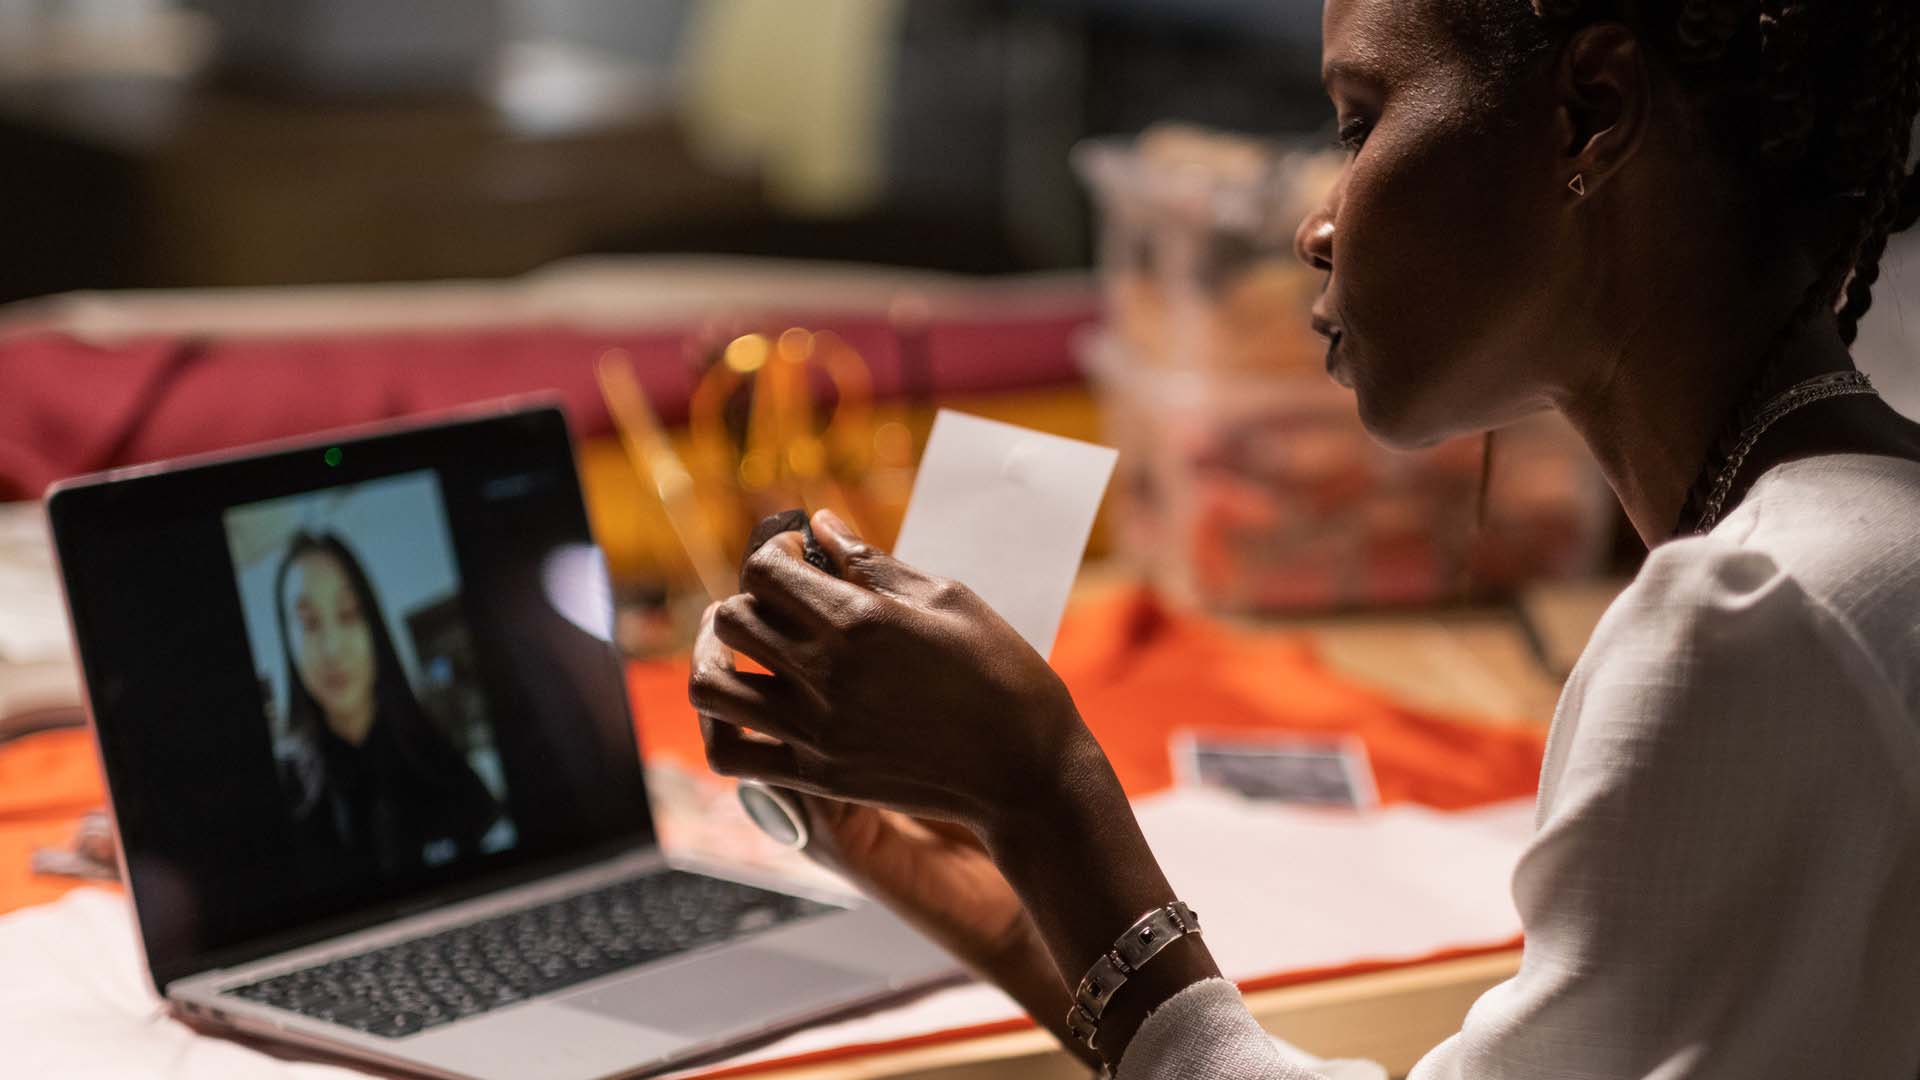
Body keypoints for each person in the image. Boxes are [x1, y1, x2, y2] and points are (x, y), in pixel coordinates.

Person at [687, 0, 1920, 1075]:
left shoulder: (1756, 622)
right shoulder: (1858, 561)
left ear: (1589, 113)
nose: (1315, 228)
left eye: (1358, 122)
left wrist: (1040, 790)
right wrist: (969, 886)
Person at [274, 532, 503, 878]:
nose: (332, 648)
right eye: (309, 623)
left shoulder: (436, 754)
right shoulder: (286, 786)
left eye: (349, 614)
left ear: (374, 625)